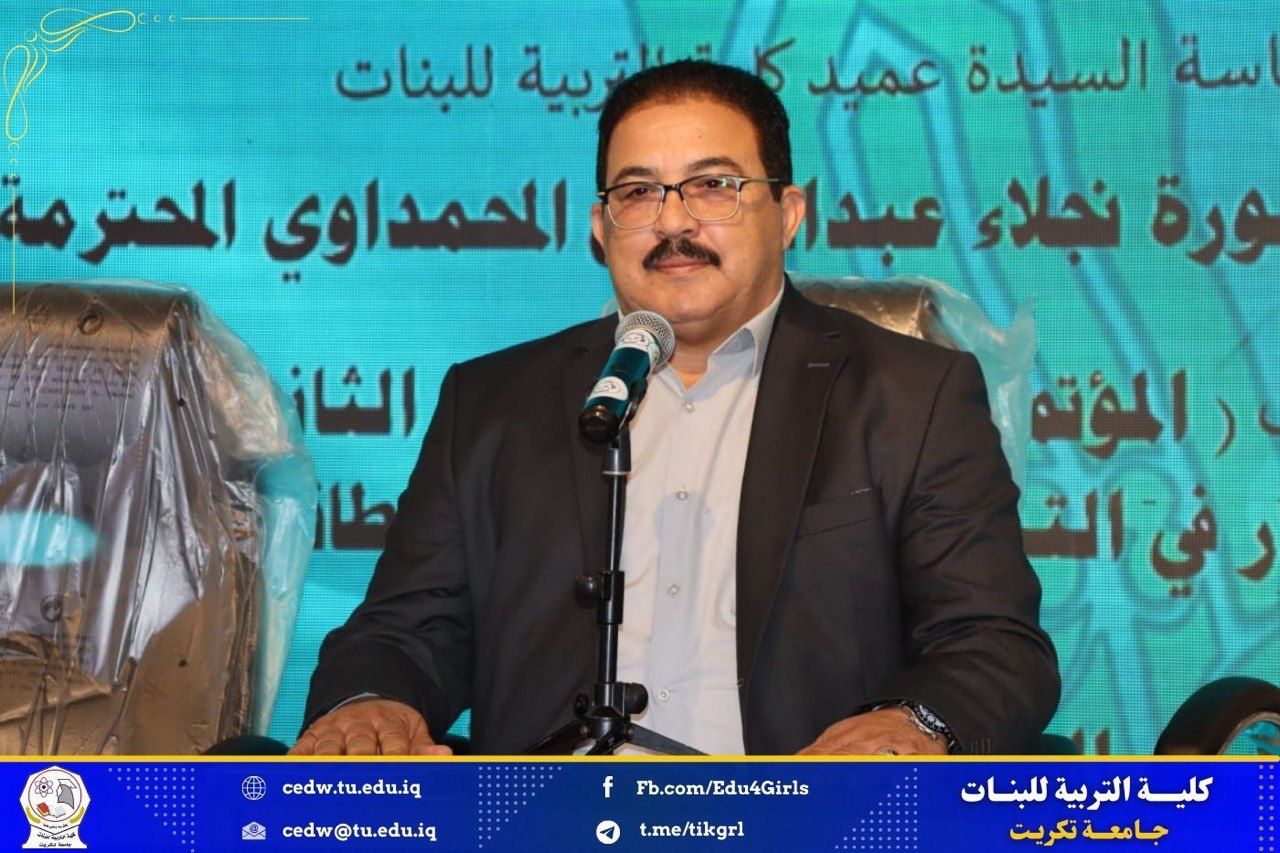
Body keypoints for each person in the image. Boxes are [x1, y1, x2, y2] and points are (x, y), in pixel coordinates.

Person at [293, 60, 1059, 757]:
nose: (673, 223)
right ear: (600, 229)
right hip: (546, 821)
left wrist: (913, 721)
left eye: (713, 185)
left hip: (797, 823)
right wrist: (371, 705)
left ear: (788, 212)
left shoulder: (911, 395)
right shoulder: (493, 402)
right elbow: (403, 630)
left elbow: (994, 643)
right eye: (637, 192)